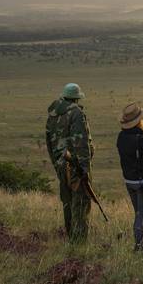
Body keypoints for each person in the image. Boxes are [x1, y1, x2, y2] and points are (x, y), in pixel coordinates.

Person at [45, 83, 94, 243]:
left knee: (67, 201)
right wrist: (84, 169)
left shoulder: (52, 114)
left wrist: (57, 164)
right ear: (76, 98)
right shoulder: (76, 113)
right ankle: (79, 243)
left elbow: (49, 143)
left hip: (60, 165)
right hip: (75, 167)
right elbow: (81, 143)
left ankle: (71, 237)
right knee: (80, 203)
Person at [116, 103, 143, 252]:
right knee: (142, 215)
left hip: (129, 181)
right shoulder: (140, 138)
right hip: (142, 181)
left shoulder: (121, 137)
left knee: (138, 212)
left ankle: (140, 244)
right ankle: (139, 246)